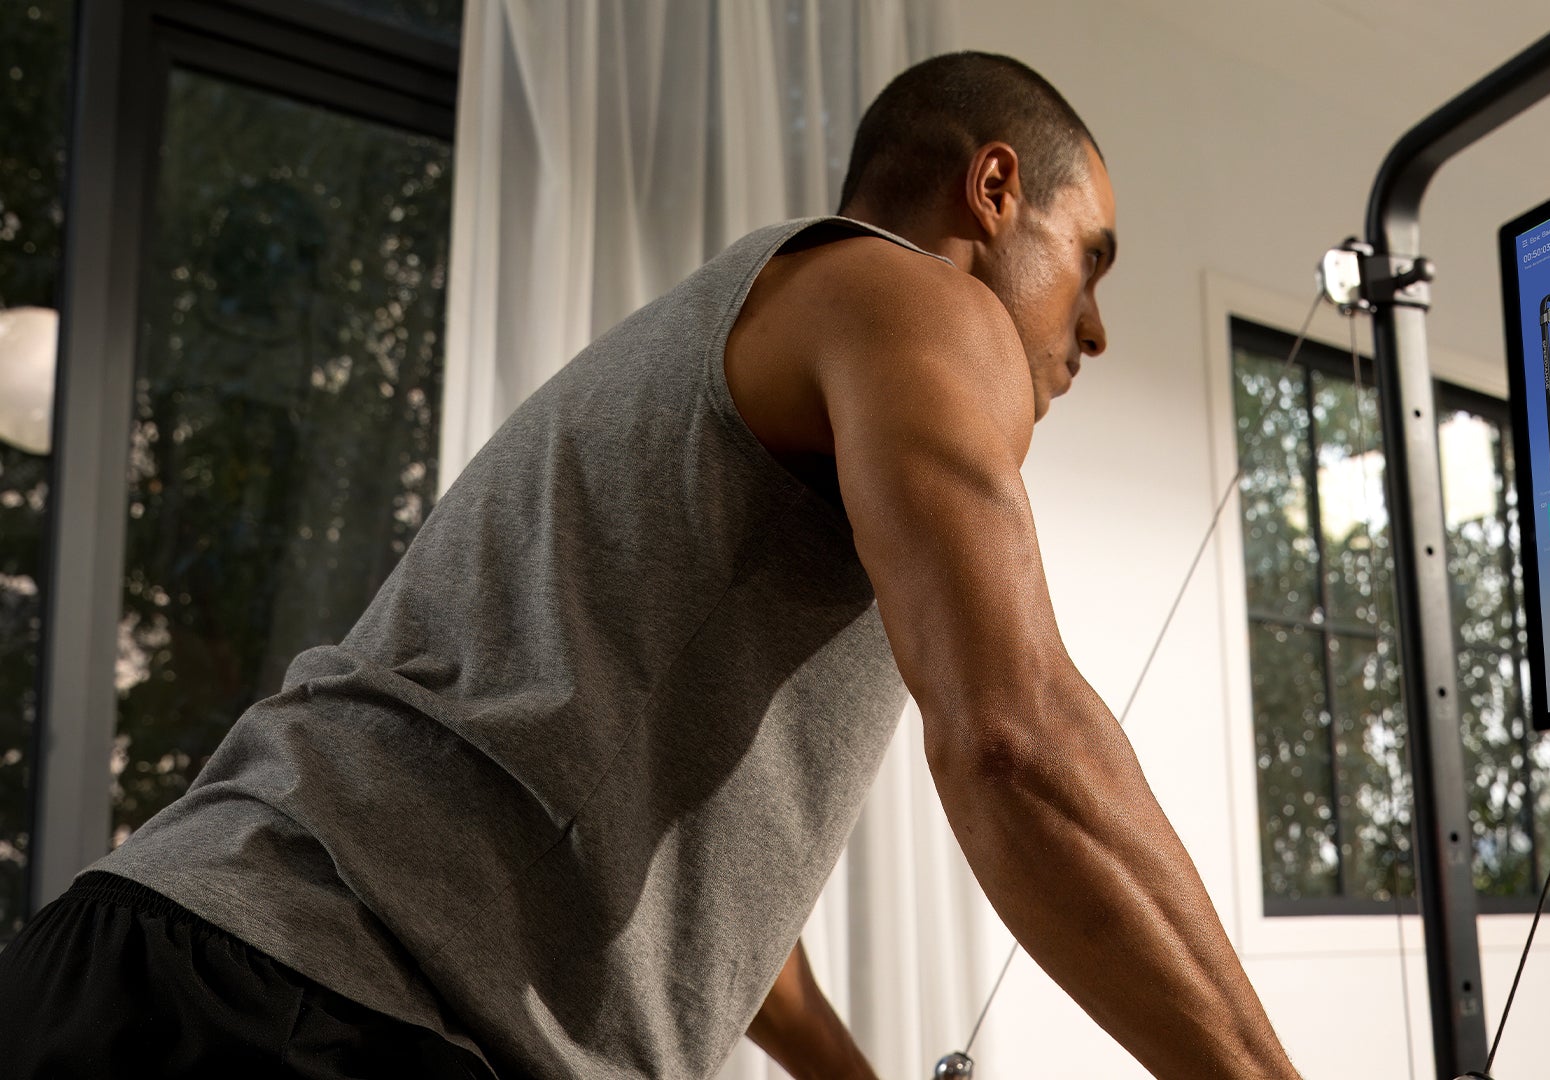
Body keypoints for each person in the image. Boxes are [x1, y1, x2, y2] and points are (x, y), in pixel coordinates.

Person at [0, 52, 1304, 1080]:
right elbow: (1017, 740)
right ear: (994, 191)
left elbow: (693, 878)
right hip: (318, 1001)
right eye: (1090, 262)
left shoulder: (728, 353)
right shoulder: (918, 299)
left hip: (160, 957)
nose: (1094, 328)